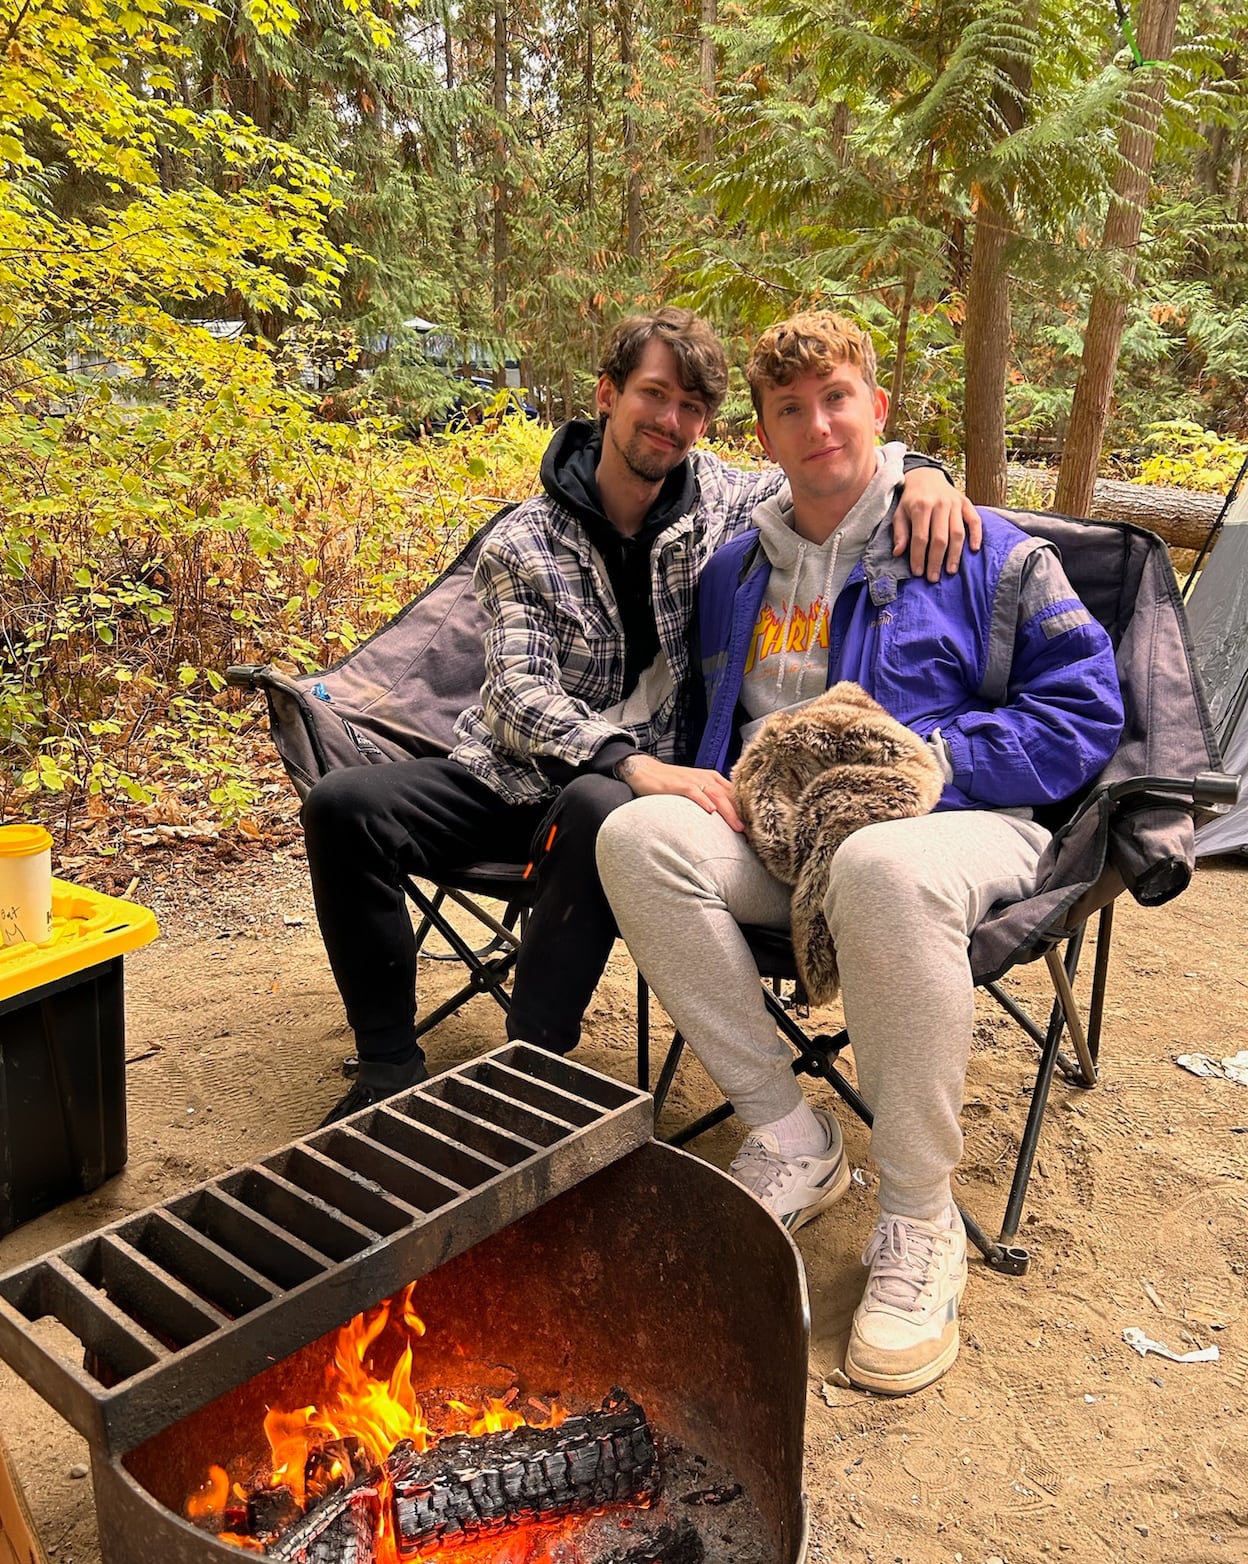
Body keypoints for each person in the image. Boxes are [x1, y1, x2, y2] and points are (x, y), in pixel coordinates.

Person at [596, 311, 1125, 1396]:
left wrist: (928, 760)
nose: (816, 424)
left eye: (836, 399)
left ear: (876, 412)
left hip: (948, 823)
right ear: (762, 437)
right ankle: (792, 1138)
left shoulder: (982, 546)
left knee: (878, 862)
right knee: (636, 833)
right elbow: (692, 710)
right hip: (781, 828)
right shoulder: (734, 570)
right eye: (788, 410)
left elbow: (1083, 714)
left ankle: (918, 1221)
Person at [302, 306, 975, 1123]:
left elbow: (836, 456)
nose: (671, 421)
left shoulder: (724, 502)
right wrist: (626, 757)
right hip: (512, 777)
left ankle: (526, 1069)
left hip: (624, 807)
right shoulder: (525, 540)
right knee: (341, 807)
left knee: (596, 807)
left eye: (692, 407)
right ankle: (387, 1064)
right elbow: (517, 697)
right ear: (607, 394)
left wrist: (928, 471)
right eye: (654, 394)